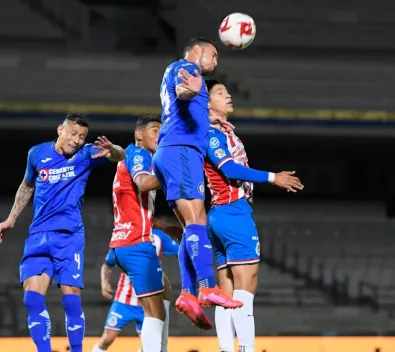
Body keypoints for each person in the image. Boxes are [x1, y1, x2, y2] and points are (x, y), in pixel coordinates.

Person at [0, 113, 125, 352]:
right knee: (32, 299)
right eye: (74, 134)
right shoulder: (37, 154)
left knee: (71, 300)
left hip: (69, 236)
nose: (77, 140)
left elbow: (119, 155)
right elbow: (27, 185)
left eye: (82, 136)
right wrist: (10, 219)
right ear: (60, 130)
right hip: (38, 235)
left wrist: (113, 149)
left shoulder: (87, 154)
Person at [203, 79, 304, 352]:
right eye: (220, 93)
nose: (228, 95)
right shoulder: (212, 134)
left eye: (227, 91)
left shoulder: (225, 132)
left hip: (220, 215)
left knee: (226, 292)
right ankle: (246, 348)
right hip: (233, 213)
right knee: (247, 287)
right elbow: (232, 170)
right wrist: (274, 177)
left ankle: (226, 349)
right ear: (206, 102)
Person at [153, 37, 241, 330]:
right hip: (181, 152)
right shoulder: (185, 67)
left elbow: (184, 102)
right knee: (197, 221)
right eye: (213, 55)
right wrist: (189, 91)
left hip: (172, 152)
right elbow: (182, 91)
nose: (216, 62)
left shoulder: (178, 70)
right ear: (197, 51)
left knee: (191, 226)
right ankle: (206, 286)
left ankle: (189, 295)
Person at [109, 115, 178, 352]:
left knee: (165, 287)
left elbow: (137, 210)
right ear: (139, 134)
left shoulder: (130, 157)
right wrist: (174, 172)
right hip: (135, 244)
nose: (160, 135)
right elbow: (144, 183)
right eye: (155, 130)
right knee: (155, 313)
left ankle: (160, 349)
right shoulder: (138, 155)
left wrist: (167, 228)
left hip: (126, 241)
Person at [92, 227, 180, 352]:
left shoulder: (158, 236)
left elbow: (179, 251)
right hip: (123, 300)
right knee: (107, 338)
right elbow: (107, 264)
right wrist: (104, 283)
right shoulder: (125, 235)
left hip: (148, 301)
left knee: (149, 344)